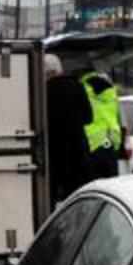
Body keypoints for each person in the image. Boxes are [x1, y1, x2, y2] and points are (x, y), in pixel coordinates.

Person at [44, 54, 92, 205]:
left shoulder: (41, 91)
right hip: (78, 154)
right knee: (77, 201)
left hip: (53, 155)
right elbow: (88, 117)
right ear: (60, 69)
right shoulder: (77, 86)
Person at [79, 67, 124, 180]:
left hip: (92, 146)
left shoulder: (82, 90)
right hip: (111, 143)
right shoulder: (111, 92)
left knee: (92, 185)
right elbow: (118, 118)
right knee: (111, 185)